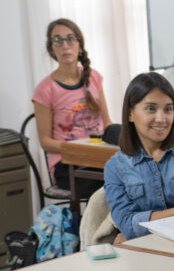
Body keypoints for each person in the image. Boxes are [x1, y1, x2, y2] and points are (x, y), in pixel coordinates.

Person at [103, 72, 174, 241]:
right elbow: (127, 225)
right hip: (146, 252)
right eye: (151, 108)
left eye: (168, 109)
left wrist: (139, 227)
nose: (161, 119)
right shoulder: (115, 167)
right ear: (130, 114)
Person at [31, 18, 113, 199]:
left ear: (80, 46)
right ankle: (99, 227)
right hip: (67, 164)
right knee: (114, 182)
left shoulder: (94, 78)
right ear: (52, 49)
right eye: (57, 40)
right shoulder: (45, 89)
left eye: (70, 39)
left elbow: (107, 123)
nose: (64, 45)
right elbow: (45, 141)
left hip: (98, 157)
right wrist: (78, 148)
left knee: (134, 172)